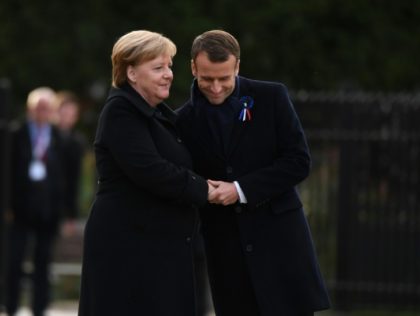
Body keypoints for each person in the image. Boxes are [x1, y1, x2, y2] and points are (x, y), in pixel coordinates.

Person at [176, 30, 331, 316]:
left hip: (280, 241)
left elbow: (298, 161)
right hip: (226, 249)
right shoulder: (182, 121)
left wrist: (239, 189)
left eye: (225, 78)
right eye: (207, 78)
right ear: (193, 68)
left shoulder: (271, 97)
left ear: (237, 66)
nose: (217, 87)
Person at [78, 30, 214, 316]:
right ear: (131, 73)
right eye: (157, 67)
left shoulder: (158, 114)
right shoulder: (121, 111)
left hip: (155, 248)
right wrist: (205, 190)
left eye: (169, 66)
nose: (168, 75)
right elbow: (150, 170)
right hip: (128, 251)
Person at [6, 87, 66, 316]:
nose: (42, 112)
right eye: (38, 108)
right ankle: (10, 306)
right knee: (14, 262)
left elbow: (65, 177)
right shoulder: (15, 133)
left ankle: (39, 309)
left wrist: (65, 210)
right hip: (19, 209)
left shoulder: (59, 137)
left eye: (46, 108)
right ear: (30, 109)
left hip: (47, 210)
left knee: (43, 262)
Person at [55, 91, 86, 236]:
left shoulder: (77, 142)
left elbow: (74, 179)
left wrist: (71, 215)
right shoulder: (44, 137)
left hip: (63, 201)